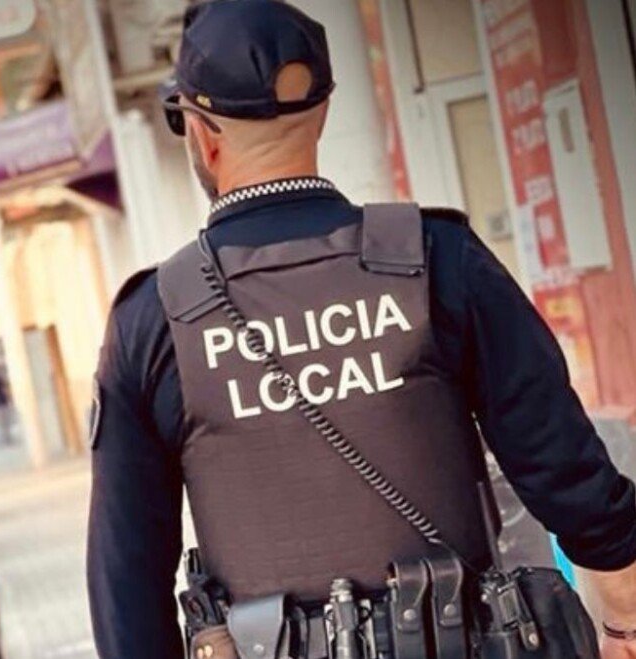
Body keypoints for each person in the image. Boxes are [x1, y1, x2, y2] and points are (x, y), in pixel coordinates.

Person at [86, 2, 636, 658]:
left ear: (202, 134)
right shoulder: (440, 259)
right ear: (321, 112)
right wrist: (624, 624)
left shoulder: (152, 320)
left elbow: (128, 580)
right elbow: (569, 476)